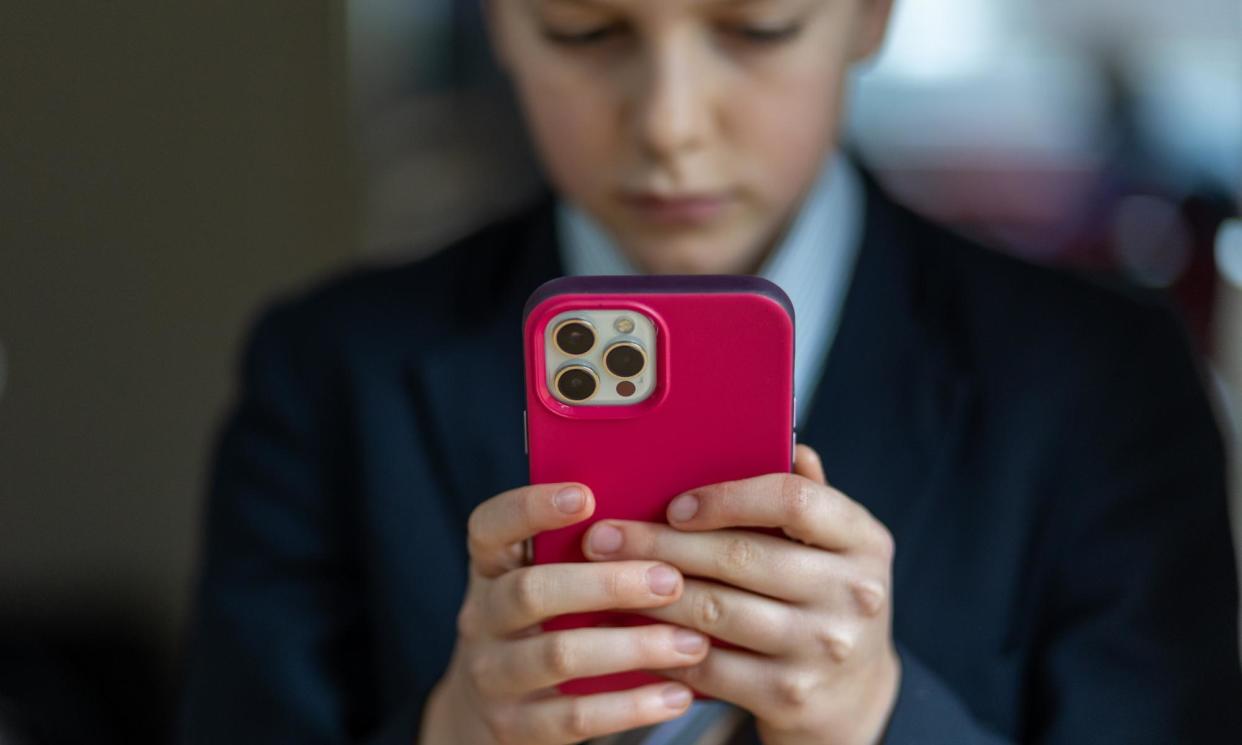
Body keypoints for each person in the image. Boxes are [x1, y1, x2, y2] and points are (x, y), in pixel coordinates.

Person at [178, 1, 1242, 743]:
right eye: (584, 31)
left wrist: (878, 719)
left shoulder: (1100, 381)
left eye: (756, 28)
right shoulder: (327, 372)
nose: (670, 125)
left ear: (871, 12)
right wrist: (452, 733)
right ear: (499, 16)